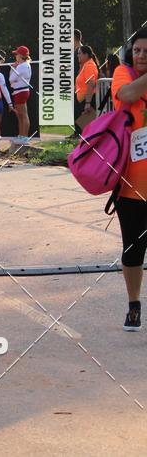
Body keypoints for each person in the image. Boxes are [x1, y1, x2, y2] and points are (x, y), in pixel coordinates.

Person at [111, 29, 147, 330]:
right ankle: (133, 304)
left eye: (146, 51)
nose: (141, 55)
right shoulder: (122, 74)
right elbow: (127, 95)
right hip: (131, 186)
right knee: (133, 250)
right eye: (137, 50)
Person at [9, 45, 32, 141]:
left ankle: (24, 137)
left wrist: (13, 68)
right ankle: (21, 136)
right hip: (22, 91)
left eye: (17, 54)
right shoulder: (25, 65)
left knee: (23, 115)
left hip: (20, 92)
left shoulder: (21, 66)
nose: (16, 56)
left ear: (21, 55)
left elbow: (11, 79)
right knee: (21, 115)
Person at [75, 45, 99, 125]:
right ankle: (77, 134)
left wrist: (87, 103)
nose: (78, 55)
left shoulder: (89, 66)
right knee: (83, 128)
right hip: (83, 100)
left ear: (86, 55)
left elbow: (91, 84)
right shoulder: (86, 65)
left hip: (87, 99)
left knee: (86, 128)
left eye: (79, 53)